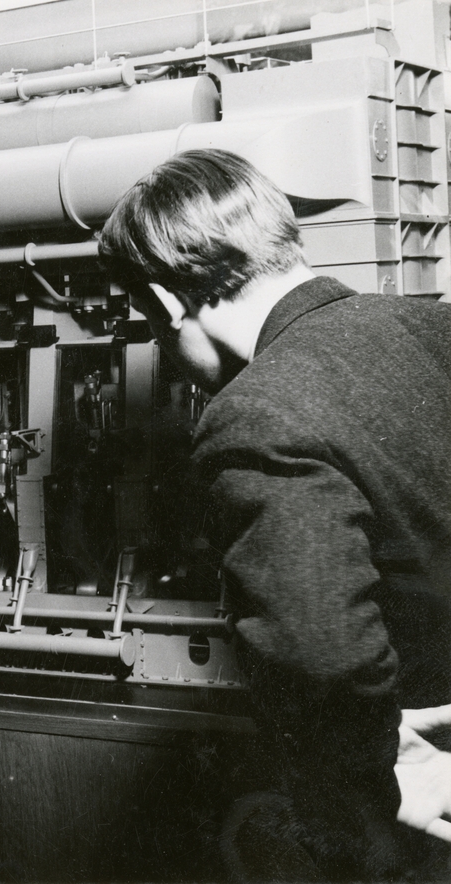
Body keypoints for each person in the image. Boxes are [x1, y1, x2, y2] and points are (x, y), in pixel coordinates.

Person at [98, 149, 451, 880]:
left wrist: (362, 802)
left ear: (165, 303)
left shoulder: (255, 414)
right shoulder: (437, 328)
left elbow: (321, 655)